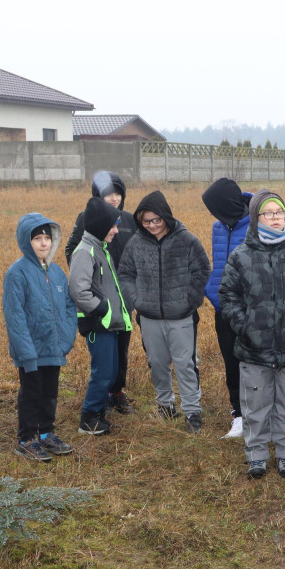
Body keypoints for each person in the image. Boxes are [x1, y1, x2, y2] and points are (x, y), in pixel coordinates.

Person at [219, 190, 285, 479]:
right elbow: (228, 296)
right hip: (254, 349)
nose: (276, 218)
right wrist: (244, 327)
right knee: (255, 403)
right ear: (256, 218)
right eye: (269, 213)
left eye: (279, 213)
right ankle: (256, 454)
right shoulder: (241, 256)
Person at [118, 190, 211, 433]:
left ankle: (192, 412)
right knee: (157, 362)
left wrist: (190, 300)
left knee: (185, 363)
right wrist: (136, 299)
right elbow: (125, 274)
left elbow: (202, 270)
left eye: (156, 220)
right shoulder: (136, 243)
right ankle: (165, 405)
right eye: (146, 221)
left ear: (166, 217)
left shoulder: (186, 240)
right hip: (149, 317)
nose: (151, 225)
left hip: (181, 316)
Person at [3, 214, 77, 461]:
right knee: (32, 393)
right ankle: (26, 439)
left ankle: (46, 434)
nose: (44, 243)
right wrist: (26, 353)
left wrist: (65, 339)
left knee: (50, 393)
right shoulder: (17, 273)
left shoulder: (56, 272)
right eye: (37, 238)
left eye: (47, 237)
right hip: (31, 351)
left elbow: (68, 307)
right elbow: (15, 317)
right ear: (27, 241)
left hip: (53, 349)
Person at [65, 171, 138, 416]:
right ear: (98, 196)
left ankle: (117, 392)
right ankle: (99, 401)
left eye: (118, 193)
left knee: (121, 349)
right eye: (108, 194)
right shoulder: (86, 219)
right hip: (99, 300)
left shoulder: (128, 220)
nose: (114, 198)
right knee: (104, 353)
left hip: (124, 298)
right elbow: (72, 252)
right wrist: (92, 283)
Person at [202, 177, 252, 438]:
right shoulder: (218, 227)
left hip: (250, 311)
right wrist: (211, 291)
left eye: (215, 208)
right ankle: (239, 415)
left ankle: (261, 415)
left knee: (253, 363)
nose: (212, 214)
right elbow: (217, 264)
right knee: (231, 363)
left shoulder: (259, 223)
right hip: (223, 309)